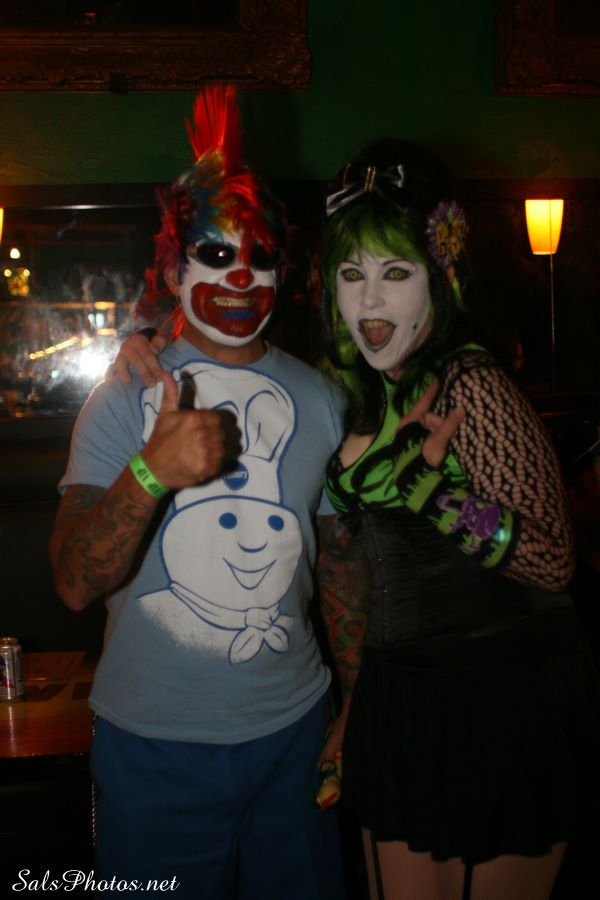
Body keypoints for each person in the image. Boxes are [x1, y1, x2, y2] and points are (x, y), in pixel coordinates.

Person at [49, 85, 364, 900]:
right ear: (173, 265)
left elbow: (338, 566)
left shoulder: (323, 399)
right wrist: (152, 471)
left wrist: (355, 706)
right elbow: (75, 582)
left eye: (261, 256)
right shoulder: (126, 392)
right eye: (216, 254)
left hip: (295, 736)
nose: (241, 274)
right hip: (153, 747)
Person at [317, 139, 600, 900]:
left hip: (502, 697)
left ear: (441, 278)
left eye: (395, 273)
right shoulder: (368, 391)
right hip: (402, 696)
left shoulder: (471, 382)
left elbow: (554, 561)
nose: (369, 302)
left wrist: (433, 495)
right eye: (352, 275)